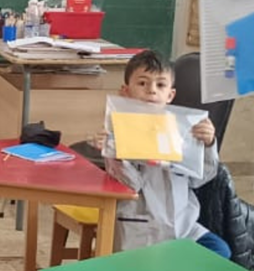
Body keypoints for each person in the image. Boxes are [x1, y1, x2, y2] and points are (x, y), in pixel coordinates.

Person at [92, 49, 225, 257]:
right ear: (125, 92)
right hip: (142, 227)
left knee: (219, 251)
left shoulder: (182, 129)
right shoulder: (117, 131)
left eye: (160, 85)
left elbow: (201, 178)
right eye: (142, 83)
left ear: (170, 95)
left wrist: (208, 145)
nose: (151, 91)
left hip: (183, 225)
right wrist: (114, 152)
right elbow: (131, 184)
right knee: (147, 267)